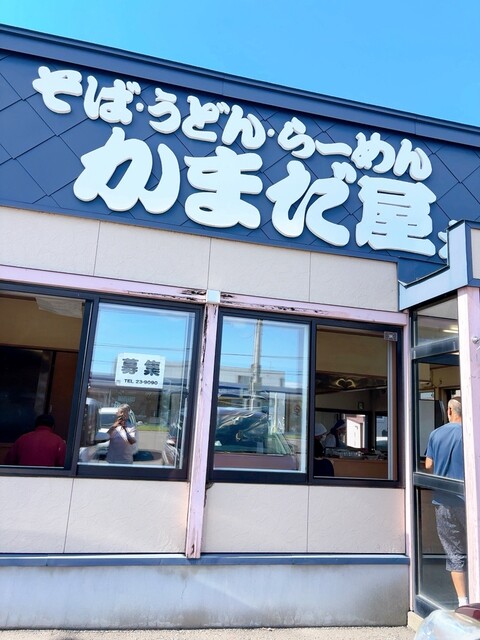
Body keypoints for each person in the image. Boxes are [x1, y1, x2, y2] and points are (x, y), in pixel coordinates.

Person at [425, 396, 468, 607]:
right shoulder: (471, 433)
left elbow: (428, 465)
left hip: (443, 501)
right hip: (468, 501)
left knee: (454, 551)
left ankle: (463, 602)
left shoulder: (435, 434)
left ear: (449, 411)